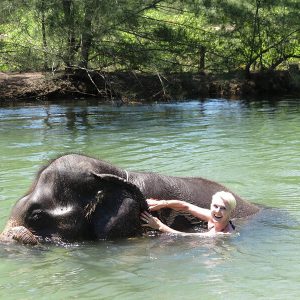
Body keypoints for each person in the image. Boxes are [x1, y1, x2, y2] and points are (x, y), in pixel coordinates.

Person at [140, 191, 236, 236]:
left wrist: (159, 226)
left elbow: (184, 236)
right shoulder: (213, 215)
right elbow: (186, 206)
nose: (218, 211)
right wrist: (162, 204)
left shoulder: (223, 234)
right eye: (215, 206)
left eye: (223, 208)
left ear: (230, 211)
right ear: (211, 205)